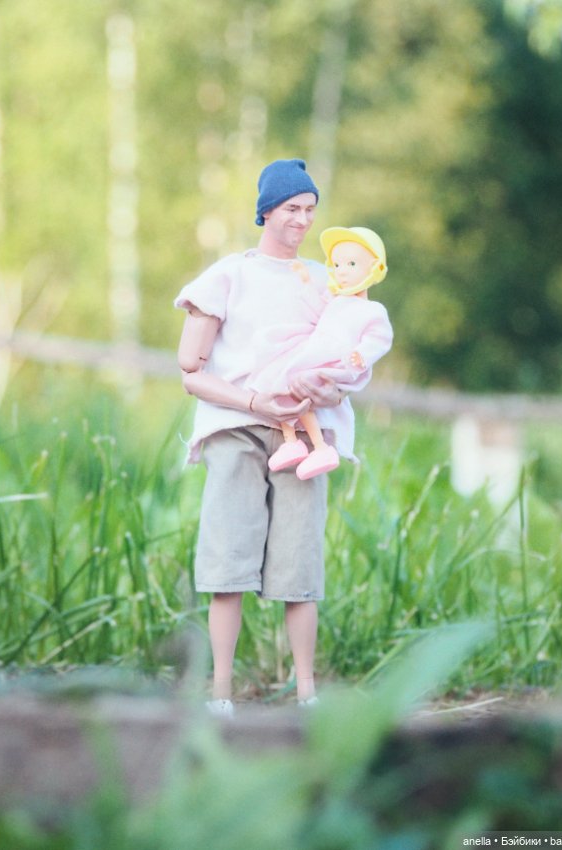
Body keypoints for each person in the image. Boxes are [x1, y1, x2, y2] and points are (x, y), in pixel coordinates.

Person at [174, 158, 374, 714]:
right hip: (237, 426)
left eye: (310, 210)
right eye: (292, 209)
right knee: (227, 560)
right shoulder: (228, 277)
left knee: (299, 563)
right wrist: (256, 401)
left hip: (306, 435)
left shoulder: (326, 279)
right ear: (266, 211)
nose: (302, 220)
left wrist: (330, 387)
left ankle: (306, 688)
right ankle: (219, 690)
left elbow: (347, 350)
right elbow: (191, 369)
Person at [246, 226, 393, 480]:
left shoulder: (372, 311)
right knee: (277, 377)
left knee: (300, 383)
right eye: (337, 265)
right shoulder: (335, 300)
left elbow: (380, 338)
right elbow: (317, 312)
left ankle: (321, 448)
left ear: (374, 268)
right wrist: (306, 282)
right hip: (314, 352)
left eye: (351, 263)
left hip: (338, 361)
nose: (343, 271)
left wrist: (362, 355)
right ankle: (291, 440)